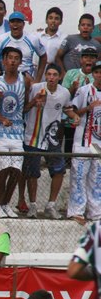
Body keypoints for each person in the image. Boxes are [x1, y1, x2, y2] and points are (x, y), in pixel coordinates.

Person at [18, 64, 69, 219]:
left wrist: (74, 116)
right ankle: (33, 205)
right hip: (32, 137)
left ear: (60, 77)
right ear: (45, 75)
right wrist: (35, 101)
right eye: (49, 74)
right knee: (32, 173)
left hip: (52, 139)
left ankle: (51, 205)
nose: (51, 77)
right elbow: (24, 109)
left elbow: (68, 109)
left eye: (54, 74)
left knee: (59, 171)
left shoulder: (64, 93)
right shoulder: (35, 88)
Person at [0, 46, 29, 219]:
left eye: (16, 58)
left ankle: (5, 204)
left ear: (20, 62)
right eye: (9, 58)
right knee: (4, 169)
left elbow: (24, 106)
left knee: (16, 171)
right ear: (4, 61)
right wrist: (2, 119)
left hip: (18, 131)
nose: (13, 61)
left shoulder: (25, 80)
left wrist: (35, 102)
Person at [65, 60, 101, 225]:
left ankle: (96, 212)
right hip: (82, 142)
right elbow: (70, 110)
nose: (99, 75)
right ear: (93, 74)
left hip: (98, 145)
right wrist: (88, 108)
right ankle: (76, 211)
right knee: (79, 176)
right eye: (97, 72)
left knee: (97, 178)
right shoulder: (84, 91)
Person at [0, 11, 46, 82]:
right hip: (5, 77)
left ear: (23, 24)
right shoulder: (0, 39)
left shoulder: (33, 39)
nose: (15, 24)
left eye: (18, 22)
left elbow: (43, 56)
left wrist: (37, 79)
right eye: (12, 22)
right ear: (9, 24)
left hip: (26, 76)